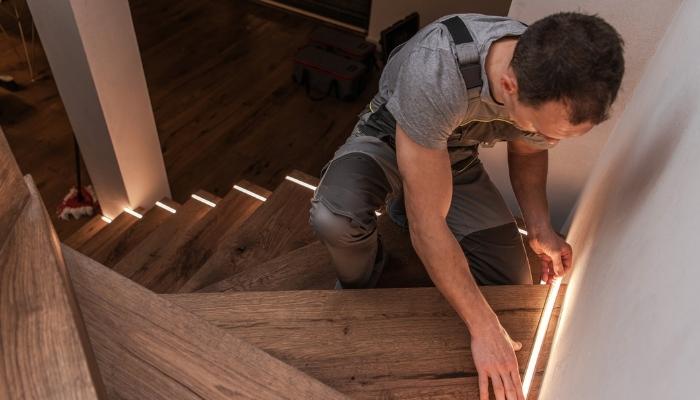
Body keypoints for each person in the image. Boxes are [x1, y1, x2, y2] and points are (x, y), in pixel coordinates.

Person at [309, 12, 624, 400]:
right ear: (509, 85)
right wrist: (484, 329)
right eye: (544, 131)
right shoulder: (437, 70)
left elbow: (527, 153)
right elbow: (429, 226)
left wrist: (540, 226)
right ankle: (361, 285)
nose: (549, 141)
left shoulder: (545, 64)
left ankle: (404, 206)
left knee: (512, 283)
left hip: (454, 157)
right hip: (392, 136)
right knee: (335, 218)